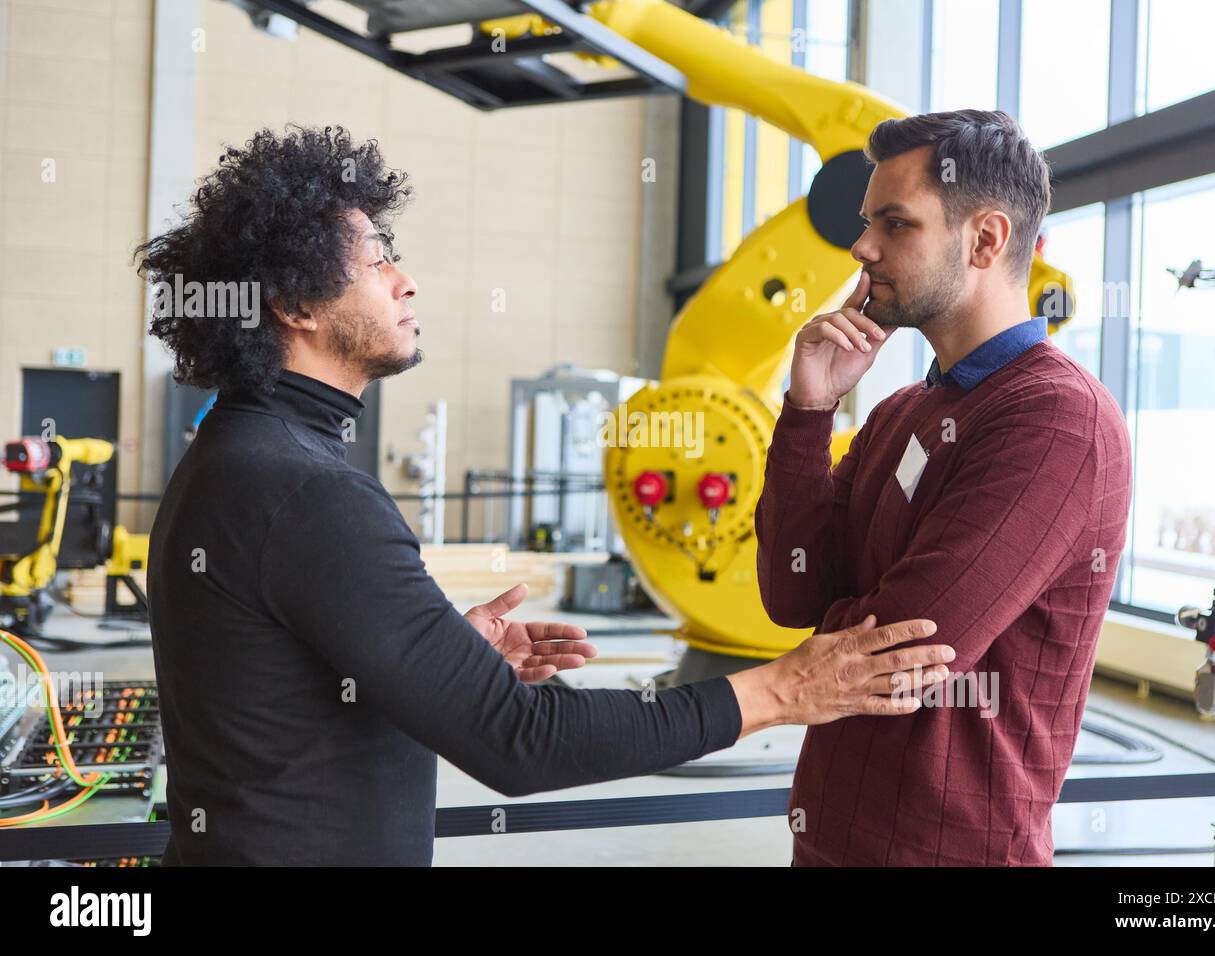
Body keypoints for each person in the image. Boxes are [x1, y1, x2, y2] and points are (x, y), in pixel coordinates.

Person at [136, 125, 955, 866]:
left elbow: (285, 690)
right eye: (377, 259)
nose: (406, 281)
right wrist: (780, 691)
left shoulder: (238, 455)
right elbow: (522, 742)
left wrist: (442, 660)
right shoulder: (307, 491)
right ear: (293, 304)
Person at [756, 110, 1132, 866]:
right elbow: (791, 596)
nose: (861, 248)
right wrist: (808, 412)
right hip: (830, 838)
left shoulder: (1058, 421)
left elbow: (908, 652)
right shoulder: (902, 411)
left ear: (986, 239)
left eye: (895, 224)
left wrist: (854, 624)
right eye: (869, 223)